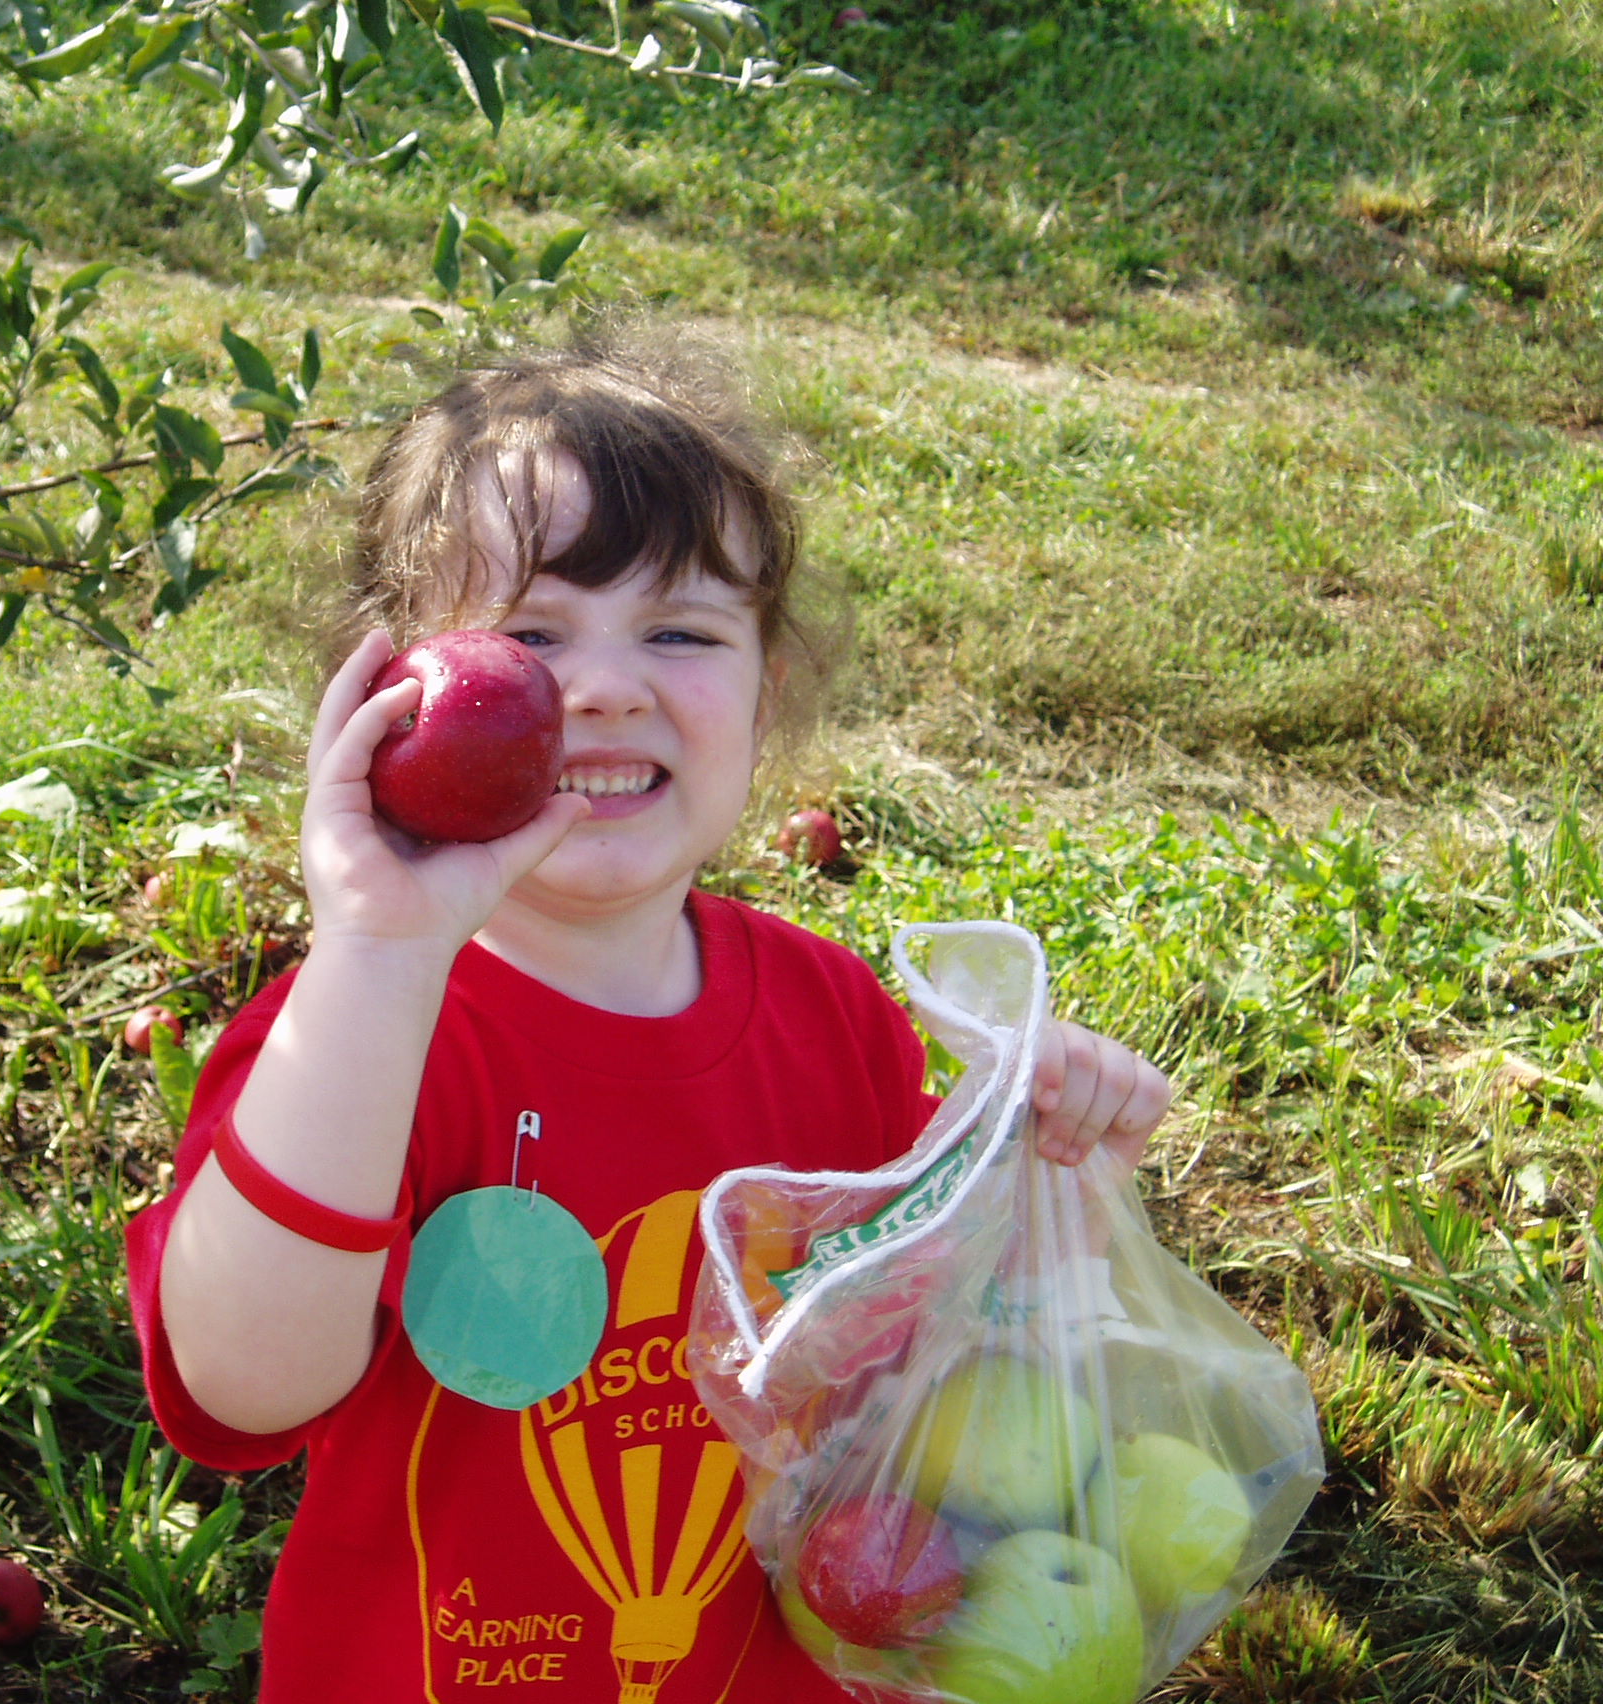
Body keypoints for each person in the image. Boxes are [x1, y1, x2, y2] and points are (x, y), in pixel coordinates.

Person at [125, 339, 1172, 1701]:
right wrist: (377, 950)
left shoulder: (830, 1014)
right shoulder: (357, 1042)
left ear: (765, 692)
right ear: (383, 701)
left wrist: (1047, 1175)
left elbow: (929, 1359)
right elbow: (242, 1384)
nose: (609, 686)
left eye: (681, 633)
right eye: (529, 638)